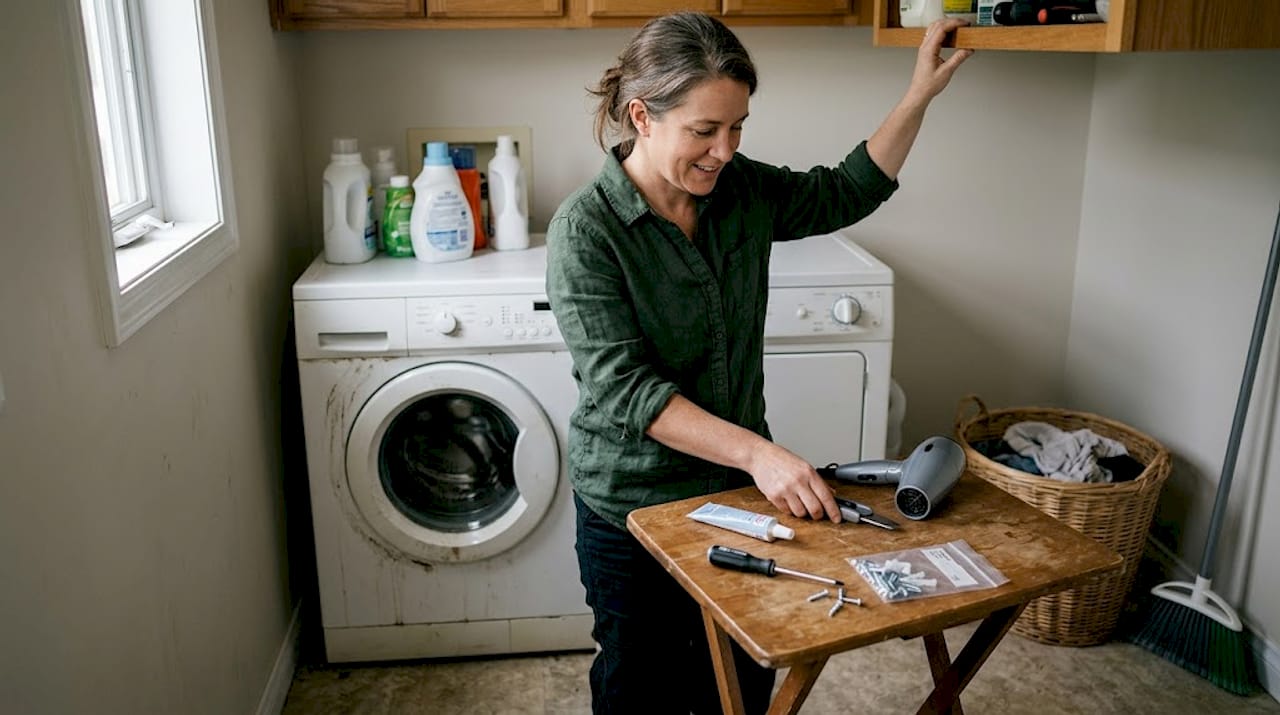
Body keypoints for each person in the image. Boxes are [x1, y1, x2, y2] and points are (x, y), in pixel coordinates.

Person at [545, 11, 971, 714]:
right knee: (641, 688)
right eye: (704, 130)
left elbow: (845, 190)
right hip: (632, 506)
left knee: (742, 677)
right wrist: (761, 455)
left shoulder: (740, 190)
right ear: (642, 116)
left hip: (734, 496)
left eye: (738, 127)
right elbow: (629, 391)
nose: (724, 150)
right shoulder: (586, 230)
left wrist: (919, 94)